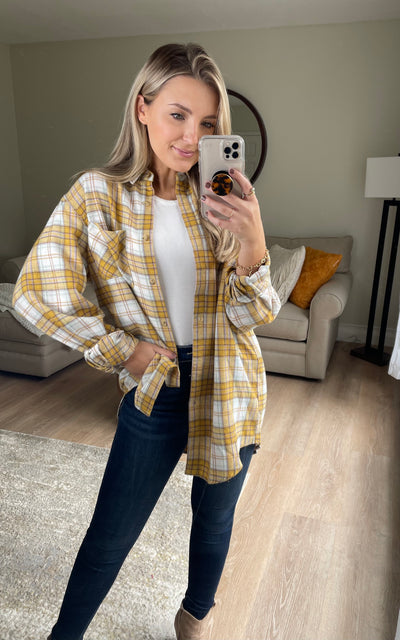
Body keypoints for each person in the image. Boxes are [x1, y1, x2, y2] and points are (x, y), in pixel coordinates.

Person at [13, 42, 281, 640]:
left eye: (207, 123)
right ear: (143, 108)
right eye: (177, 114)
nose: (191, 136)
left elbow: (254, 313)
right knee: (110, 535)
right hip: (158, 385)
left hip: (231, 381)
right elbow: (36, 292)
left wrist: (254, 239)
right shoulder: (97, 194)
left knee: (214, 522)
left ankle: (194, 619)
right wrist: (120, 349)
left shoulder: (220, 196)